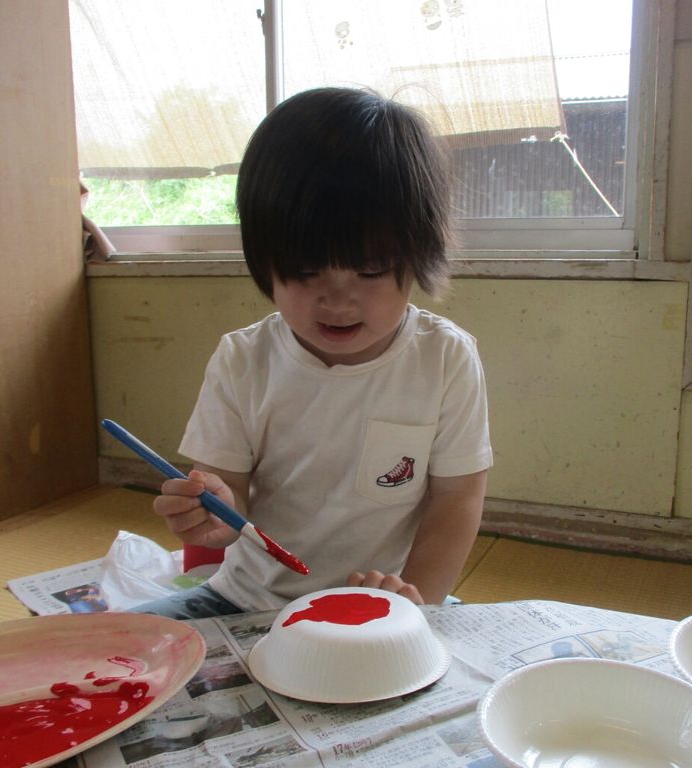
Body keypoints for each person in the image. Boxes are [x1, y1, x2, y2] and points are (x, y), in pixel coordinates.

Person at [137, 87, 492, 619]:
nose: (338, 300)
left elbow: (456, 500)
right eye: (305, 271)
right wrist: (214, 512)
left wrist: (415, 604)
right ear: (265, 261)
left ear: (418, 254)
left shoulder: (445, 360)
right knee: (121, 651)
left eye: (370, 271)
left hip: (383, 604)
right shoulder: (242, 360)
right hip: (246, 601)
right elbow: (227, 487)